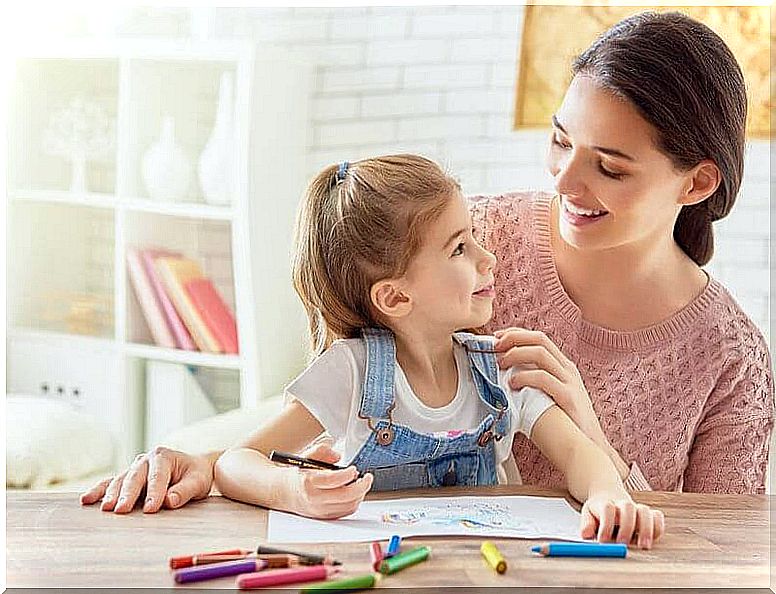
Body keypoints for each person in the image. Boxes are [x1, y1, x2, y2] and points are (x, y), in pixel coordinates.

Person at [80, 10, 773, 514]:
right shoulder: (478, 234)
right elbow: (338, 394)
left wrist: (593, 441)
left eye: (610, 169)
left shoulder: (730, 358)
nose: (563, 183)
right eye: (561, 141)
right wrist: (199, 460)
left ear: (696, 184)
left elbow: (721, 552)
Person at [212, 154, 664, 546]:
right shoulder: (352, 371)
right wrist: (293, 489)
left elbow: (578, 455)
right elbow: (235, 464)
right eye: (459, 249)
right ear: (395, 297)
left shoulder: (499, 367)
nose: (488, 258)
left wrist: (608, 496)